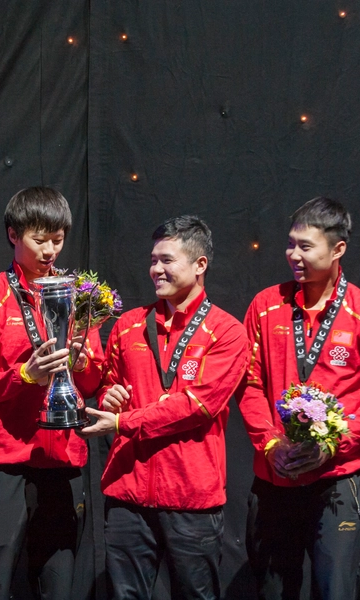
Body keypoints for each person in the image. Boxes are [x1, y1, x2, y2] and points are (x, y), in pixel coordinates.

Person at [236, 197, 360, 600]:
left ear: (338, 249)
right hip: (275, 475)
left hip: (339, 478)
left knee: (335, 591)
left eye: (306, 246)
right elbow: (250, 386)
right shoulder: (265, 305)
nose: (294, 255)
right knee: (272, 591)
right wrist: (271, 444)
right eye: (291, 244)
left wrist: (331, 445)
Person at [80, 215, 249, 599]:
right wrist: (109, 396)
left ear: (200, 264)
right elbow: (108, 384)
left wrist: (123, 422)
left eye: (167, 260)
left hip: (191, 497)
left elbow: (197, 407)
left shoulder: (226, 332)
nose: (156, 269)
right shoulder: (128, 324)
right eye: (153, 260)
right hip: (127, 493)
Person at [0, 187, 103, 599]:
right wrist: (23, 375)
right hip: (4, 459)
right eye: (39, 239)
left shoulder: (80, 299)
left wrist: (82, 365)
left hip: (62, 456)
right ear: (13, 234)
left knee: (59, 584)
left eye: (58, 239)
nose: (50, 250)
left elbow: (93, 383)